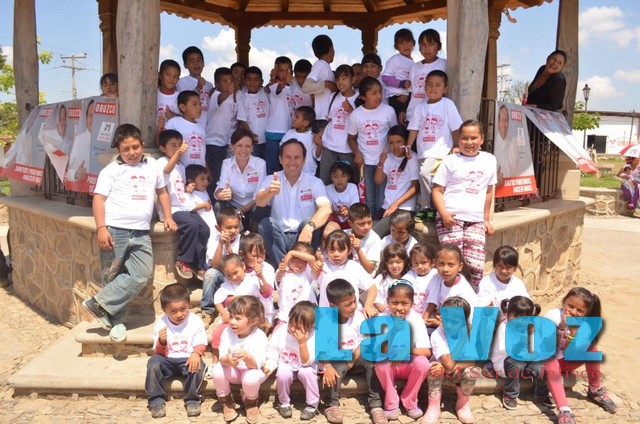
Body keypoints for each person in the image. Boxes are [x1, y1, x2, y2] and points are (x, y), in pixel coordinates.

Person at [82, 123, 177, 342]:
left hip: (141, 232)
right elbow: (99, 199)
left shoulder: (152, 166)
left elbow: (162, 192)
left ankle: (98, 303)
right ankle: (117, 323)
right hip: (115, 231)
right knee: (112, 275)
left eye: (135, 147)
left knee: (141, 273)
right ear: (118, 150)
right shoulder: (111, 171)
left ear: (142, 144)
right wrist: (101, 228)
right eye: (126, 149)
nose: (132, 152)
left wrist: (168, 216)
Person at [432, 119, 497, 289]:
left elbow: (488, 191)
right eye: (464, 138)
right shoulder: (450, 161)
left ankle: (473, 297)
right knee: (452, 263)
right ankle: (451, 299)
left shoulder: (489, 160)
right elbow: (437, 190)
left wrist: (486, 219)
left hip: (475, 220)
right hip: (450, 219)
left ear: (482, 139)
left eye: (473, 138)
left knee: (475, 264)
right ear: (459, 139)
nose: (469, 143)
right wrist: (444, 214)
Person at [543, 288, 617, 424]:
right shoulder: (552, 316)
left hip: (564, 361)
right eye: (570, 306)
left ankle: (595, 389)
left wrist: (573, 333)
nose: (573, 312)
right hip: (544, 363)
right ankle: (564, 409)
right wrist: (561, 328)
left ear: (586, 313)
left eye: (580, 310)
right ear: (563, 302)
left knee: (592, 350)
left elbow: (570, 352)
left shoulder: (585, 325)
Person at [320, 278, 388, 424]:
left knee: (372, 363)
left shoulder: (358, 317)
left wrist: (351, 360)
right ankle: (331, 404)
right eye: (348, 304)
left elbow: (363, 343)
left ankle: (376, 405)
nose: (353, 306)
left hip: (355, 355)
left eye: (354, 302)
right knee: (334, 370)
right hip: (336, 359)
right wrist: (327, 366)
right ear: (333, 306)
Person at [256, 139, 332, 265]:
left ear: (304, 159)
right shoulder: (271, 180)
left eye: (297, 157)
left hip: (304, 235)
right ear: (280, 159)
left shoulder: (314, 182)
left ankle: (301, 265)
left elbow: (326, 208)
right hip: (279, 237)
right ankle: (283, 267)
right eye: (287, 157)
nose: (292, 162)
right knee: (265, 224)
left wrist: (309, 227)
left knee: (309, 220)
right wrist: (269, 191)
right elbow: (259, 202)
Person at [145, 283, 207, 418]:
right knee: (153, 363)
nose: (179, 315)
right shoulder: (161, 324)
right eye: (173, 311)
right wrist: (161, 342)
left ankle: (192, 400)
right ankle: (156, 401)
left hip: (187, 359)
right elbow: (158, 352)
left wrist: (196, 353)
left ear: (189, 305)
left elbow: (201, 342)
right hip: (167, 359)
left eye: (183, 309)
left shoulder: (195, 321)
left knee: (199, 366)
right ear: (164, 310)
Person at [374, 280, 431, 420]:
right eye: (394, 303)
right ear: (387, 301)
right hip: (390, 365)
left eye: (404, 303)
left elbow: (426, 352)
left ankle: (410, 400)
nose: (399, 308)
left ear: (412, 304)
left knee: (423, 363)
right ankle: (391, 403)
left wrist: (406, 352)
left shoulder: (416, 319)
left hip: (407, 365)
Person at [157, 130, 209, 281]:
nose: (178, 148)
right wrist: (178, 153)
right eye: (173, 145)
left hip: (184, 206)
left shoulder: (180, 166)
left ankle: (198, 264)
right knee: (191, 225)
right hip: (171, 209)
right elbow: (166, 171)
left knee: (204, 229)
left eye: (179, 145)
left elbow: (179, 186)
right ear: (162, 148)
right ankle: (182, 260)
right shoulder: (162, 162)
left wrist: (187, 188)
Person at [406, 70, 463, 209]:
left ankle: (427, 207)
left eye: (438, 85)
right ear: (424, 87)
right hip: (423, 152)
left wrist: (457, 146)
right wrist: (408, 146)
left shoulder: (447, 104)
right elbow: (414, 129)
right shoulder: (420, 107)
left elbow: (455, 128)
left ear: (445, 89)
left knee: (425, 173)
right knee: (429, 180)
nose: (433, 88)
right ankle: (436, 208)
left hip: (440, 152)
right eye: (430, 84)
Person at [212, 295, 270, 424]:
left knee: (250, 378)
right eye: (231, 316)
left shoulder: (259, 336)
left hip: (253, 370)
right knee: (217, 370)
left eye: (238, 318)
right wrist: (228, 360)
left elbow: (256, 365)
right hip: (235, 371)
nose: (232, 321)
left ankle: (251, 402)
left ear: (253, 321)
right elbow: (222, 357)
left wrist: (247, 357)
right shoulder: (227, 332)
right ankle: (226, 400)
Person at [489, 296, 553, 411]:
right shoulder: (504, 327)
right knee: (516, 363)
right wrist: (521, 344)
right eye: (515, 316)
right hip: (505, 363)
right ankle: (510, 394)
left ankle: (542, 394)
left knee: (541, 368)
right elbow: (506, 351)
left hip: (526, 361)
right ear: (508, 314)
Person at [348, 77, 398, 220]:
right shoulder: (356, 115)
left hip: (385, 161)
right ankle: (369, 225)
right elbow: (351, 138)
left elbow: (394, 134)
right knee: (368, 198)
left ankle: (380, 225)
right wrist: (357, 154)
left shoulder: (388, 111)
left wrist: (389, 153)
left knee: (382, 198)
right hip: (366, 162)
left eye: (380, 92)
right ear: (363, 96)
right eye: (374, 93)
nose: (379, 96)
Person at [426, 296, 481, 424]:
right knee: (434, 368)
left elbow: (472, 361)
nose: (449, 324)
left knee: (473, 371)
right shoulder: (438, 335)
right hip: (439, 373)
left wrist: (448, 368)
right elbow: (448, 363)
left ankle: (462, 404)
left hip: (455, 372)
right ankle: (433, 406)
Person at [210, 253, 272, 364]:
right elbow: (217, 300)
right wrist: (224, 313)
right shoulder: (225, 286)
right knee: (218, 332)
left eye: (235, 273)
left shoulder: (253, 280)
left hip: (251, 317)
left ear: (243, 266)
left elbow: (266, 292)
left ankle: (258, 359)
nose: (233, 277)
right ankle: (215, 360)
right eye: (229, 275)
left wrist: (261, 276)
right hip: (232, 318)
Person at [264, 301, 319, 420]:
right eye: (290, 323)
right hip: (287, 363)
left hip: (306, 365)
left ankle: (312, 404)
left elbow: (307, 362)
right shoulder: (281, 331)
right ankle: (283, 402)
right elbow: (273, 350)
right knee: (283, 374)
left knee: (307, 373)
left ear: (311, 327)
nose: (292, 328)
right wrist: (269, 365)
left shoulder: (314, 336)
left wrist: (302, 343)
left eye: (298, 327)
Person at [214, 127, 267, 232]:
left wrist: (243, 209)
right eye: (239, 145)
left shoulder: (260, 164)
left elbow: (259, 194)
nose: (243, 150)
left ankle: (253, 236)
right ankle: (233, 236)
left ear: (252, 148)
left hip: (253, 206)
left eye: (248, 146)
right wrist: (221, 194)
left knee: (263, 206)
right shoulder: (227, 163)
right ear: (232, 147)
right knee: (218, 205)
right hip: (234, 206)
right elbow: (221, 186)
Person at [316, 230, 378, 317]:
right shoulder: (322, 266)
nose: (336, 254)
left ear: (349, 251)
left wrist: (368, 306)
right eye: (332, 250)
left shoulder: (354, 267)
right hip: (327, 317)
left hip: (351, 317)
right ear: (326, 250)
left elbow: (372, 287)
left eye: (340, 250)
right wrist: (315, 262)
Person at [373, 125, 419, 237]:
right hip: (387, 207)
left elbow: (415, 187)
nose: (395, 146)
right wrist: (381, 163)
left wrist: (396, 204)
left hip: (403, 209)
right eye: (391, 143)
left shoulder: (412, 158)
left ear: (406, 142)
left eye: (399, 141)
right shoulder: (389, 158)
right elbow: (378, 180)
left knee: (374, 235)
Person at [317, 64, 359, 184]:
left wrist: (350, 109)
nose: (340, 82)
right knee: (325, 179)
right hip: (329, 145)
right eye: (337, 79)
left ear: (353, 79)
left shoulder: (359, 98)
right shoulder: (333, 97)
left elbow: (361, 123)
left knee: (350, 181)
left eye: (344, 78)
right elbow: (331, 121)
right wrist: (320, 134)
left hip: (347, 147)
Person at [201, 207, 243, 323]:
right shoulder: (214, 239)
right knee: (210, 274)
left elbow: (238, 265)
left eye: (236, 227)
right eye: (228, 228)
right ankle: (207, 310)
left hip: (237, 276)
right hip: (222, 275)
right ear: (218, 228)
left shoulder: (242, 239)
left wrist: (228, 247)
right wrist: (221, 244)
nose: (233, 231)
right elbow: (214, 265)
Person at [422, 245, 477, 329]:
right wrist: (424, 319)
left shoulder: (463, 291)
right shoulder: (437, 277)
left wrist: (439, 324)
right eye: (441, 264)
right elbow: (432, 300)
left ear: (460, 266)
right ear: (435, 263)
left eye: (450, 265)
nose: (445, 269)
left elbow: (464, 323)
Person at [205, 67, 238, 191]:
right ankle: (215, 199)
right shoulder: (216, 95)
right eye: (225, 81)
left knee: (223, 174)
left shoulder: (231, 97)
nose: (229, 83)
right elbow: (220, 98)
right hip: (213, 143)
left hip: (224, 143)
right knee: (216, 175)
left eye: (231, 80)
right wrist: (229, 93)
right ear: (217, 84)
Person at [405, 29, 447, 123]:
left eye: (431, 44)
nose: (427, 48)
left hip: (433, 117)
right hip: (412, 116)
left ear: (439, 46)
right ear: (419, 47)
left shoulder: (444, 64)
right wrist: (403, 110)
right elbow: (411, 92)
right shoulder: (414, 67)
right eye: (423, 45)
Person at [274, 241, 320, 326]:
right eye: (297, 259)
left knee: (325, 329)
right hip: (286, 318)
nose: (300, 264)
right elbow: (279, 276)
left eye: (304, 261)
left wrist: (292, 253)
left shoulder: (307, 273)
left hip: (308, 317)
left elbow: (312, 259)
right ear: (290, 258)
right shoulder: (283, 272)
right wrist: (289, 257)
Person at [238, 232, 277, 325]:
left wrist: (260, 276)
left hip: (263, 315)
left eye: (262, 254)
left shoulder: (267, 268)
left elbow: (267, 293)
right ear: (242, 254)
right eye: (254, 256)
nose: (259, 259)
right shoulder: (237, 269)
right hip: (240, 314)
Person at [265, 56, 294, 174]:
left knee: (287, 166)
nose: (284, 74)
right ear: (276, 71)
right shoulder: (273, 86)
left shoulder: (294, 86)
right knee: (273, 167)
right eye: (281, 71)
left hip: (289, 132)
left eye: (287, 71)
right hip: (274, 132)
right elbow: (278, 89)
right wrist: (284, 84)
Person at [477, 245, 530, 309]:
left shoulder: (518, 284)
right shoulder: (487, 282)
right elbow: (481, 306)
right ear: (494, 265)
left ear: (515, 268)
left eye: (508, 267)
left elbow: (526, 304)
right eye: (500, 266)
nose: (504, 271)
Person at [381, 28, 415, 125]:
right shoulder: (395, 59)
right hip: (396, 97)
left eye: (408, 41)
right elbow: (386, 78)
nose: (405, 45)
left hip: (406, 98)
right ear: (396, 47)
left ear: (413, 43)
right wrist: (401, 83)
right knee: (398, 126)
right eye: (401, 43)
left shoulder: (413, 63)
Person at [165, 90, 206, 167]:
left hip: (199, 170)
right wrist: (160, 129)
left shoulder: (201, 127)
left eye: (200, 104)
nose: (199, 107)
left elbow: (203, 153)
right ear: (183, 107)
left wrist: (207, 169)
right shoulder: (174, 122)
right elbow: (162, 142)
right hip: (181, 169)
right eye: (194, 104)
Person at [302, 34, 337, 121]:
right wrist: (326, 84)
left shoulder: (326, 67)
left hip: (327, 118)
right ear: (331, 48)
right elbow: (306, 87)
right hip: (322, 119)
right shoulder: (320, 64)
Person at [236, 66, 269, 159]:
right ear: (244, 81)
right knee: (255, 164)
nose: (252, 83)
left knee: (267, 164)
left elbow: (272, 86)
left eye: (256, 80)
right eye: (249, 79)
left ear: (261, 82)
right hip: (254, 140)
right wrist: (251, 134)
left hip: (268, 139)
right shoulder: (243, 99)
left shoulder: (264, 93)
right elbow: (243, 121)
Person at [176, 46, 213, 127]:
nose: (196, 64)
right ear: (185, 65)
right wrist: (198, 88)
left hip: (205, 126)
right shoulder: (182, 82)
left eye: (199, 60)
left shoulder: (209, 85)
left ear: (203, 63)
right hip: (189, 125)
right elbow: (184, 102)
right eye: (191, 61)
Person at [282, 106, 320, 177]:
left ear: (305, 123)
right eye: (294, 116)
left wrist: (320, 145)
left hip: (308, 173)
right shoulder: (289, 133)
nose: (293, 119)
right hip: (291, 170)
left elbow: (316, 155)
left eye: (297, 117)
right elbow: (282, 150)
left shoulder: (312, 137)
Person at [373, 242, 410, 313]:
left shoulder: (409, 278)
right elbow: (373, 293)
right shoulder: (381, 279)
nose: (394, 266)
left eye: (398, 262)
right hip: (384, 313)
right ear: (386, 263)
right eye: (391, 262)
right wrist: (377, 303)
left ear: (404, 261)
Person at [346, 203, 382, 275]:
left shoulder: (374, 239)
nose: (366, 227)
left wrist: (358, 249)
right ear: (350, 223)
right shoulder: (345, 235)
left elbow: (369, 269)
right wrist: (346, 244)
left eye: (369, 222)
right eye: (361, 224)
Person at [402, 243, 437, 315]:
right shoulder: (410, 275)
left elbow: (433, 300)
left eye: (423, 262)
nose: (420, 266)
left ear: (433, 262)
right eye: (416, 263)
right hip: (411, 315)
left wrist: (425, 317)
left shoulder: (435, 275)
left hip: (429, 315)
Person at [65, 99, 95, 185]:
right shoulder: (79, 140)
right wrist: (76, 174)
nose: (94, 120)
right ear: (86, 119)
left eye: (97, 116)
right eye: (91, 116)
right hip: (86, 186)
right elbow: (69, 173)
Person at [326, 161, 359, 230]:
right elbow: (327, 209)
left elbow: (355, 208)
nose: (339, 180)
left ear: (348, 177)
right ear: (331, 178)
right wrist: (338, 213)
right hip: (335, 220)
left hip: (349, 219)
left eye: (343, 176)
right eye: (336, 177)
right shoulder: (328, 189)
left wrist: (348, 211)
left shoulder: (352, 187)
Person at [156, 59, 181, 133]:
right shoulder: (152, 94)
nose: (171, 79)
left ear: (178, 79)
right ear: (160, 75)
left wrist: (173, 116)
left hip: (172, 137)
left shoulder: (180, 97)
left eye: (175, 76)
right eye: (168, 74)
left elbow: (186, 119)